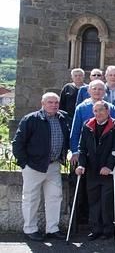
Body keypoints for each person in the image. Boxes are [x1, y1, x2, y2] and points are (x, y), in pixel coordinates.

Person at [12, 92, 70, 241]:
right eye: (50, 102)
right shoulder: (31, 119)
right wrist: (24, 164)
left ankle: (52, 229)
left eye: (56, 102)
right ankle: (30, 229)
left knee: (55, 198)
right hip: (33, 166)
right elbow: (18, 143)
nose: (54, 105)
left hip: (54, 165)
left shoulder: (63, 118)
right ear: (42, 104)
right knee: (31, 199)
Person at [75, 101, 115, 241]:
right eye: (95, 111)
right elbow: (82, 148)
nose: (98, 113)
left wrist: (109, 166)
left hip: (109, 171)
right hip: (92, 170)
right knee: (94, 201)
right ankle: (96, 228)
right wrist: (81, 164)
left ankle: (108, 229)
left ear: (107, 111)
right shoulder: (87, 125)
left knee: (107, 201)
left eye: (101, 110)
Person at [70, 80, 115, 165]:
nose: (97, 91)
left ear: (104, 92)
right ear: (89, 91)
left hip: (106, 151)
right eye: (94, 89)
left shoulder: (111, 108)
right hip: (86, 150)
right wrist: (75, 151)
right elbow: (75, 130)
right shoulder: (81, 108)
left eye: (100, 89)